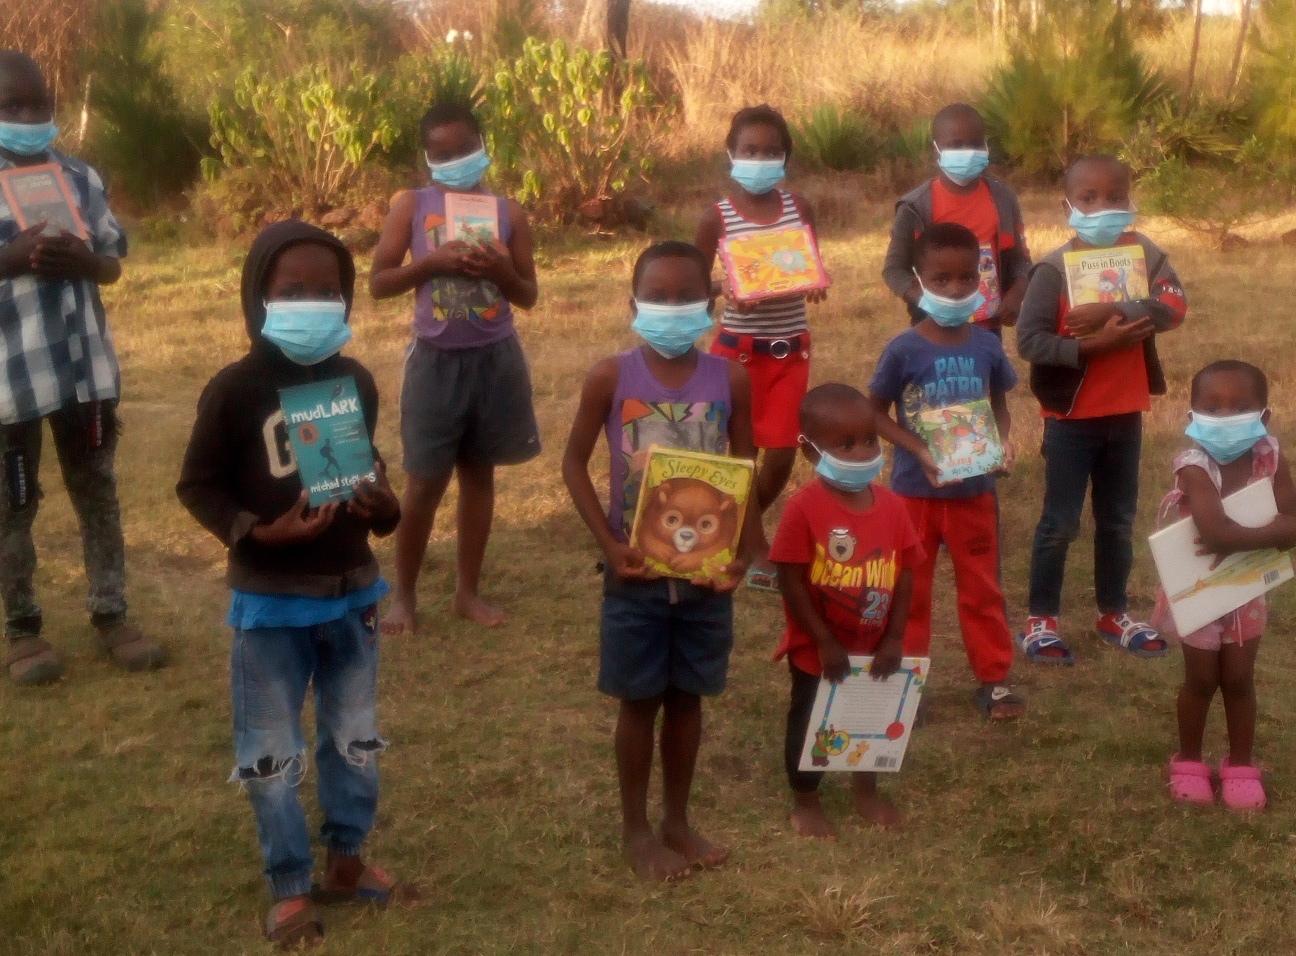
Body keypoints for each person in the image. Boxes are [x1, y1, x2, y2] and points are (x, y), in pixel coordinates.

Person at [177, 221, 409, 946]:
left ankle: (347, 859)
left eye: (328, 290)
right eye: (292, 291)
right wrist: (258, 531)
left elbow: (372, 482)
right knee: (270, 750)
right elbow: (198, 486)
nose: (313, 302)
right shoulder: (235, 389)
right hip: (270, 604)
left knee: (354, 738)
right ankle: (287, 883)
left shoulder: (356, 382)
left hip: (353, 594)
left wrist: (383, 504)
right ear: (259, 299)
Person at [562, 240, 756, 882]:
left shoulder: (730, 378)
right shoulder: (611, 376)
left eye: (686, 297)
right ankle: (637, 829)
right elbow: (573, 463)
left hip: (706, 579)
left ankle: (677, 818)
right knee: (639, 701)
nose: (672, 308)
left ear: (711, 304)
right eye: (658, 297)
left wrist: (743, 558)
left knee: (689, 699)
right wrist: (609, 545)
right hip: (636, 578)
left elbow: (746, 471)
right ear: (632, 304)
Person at [0, 50, 164, 685]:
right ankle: (23, 628)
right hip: (12, 382)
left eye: (37, 105)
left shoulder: (79, 177)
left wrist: (84, 261)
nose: (27, 116)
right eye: (11, 107)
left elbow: (113, 261)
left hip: (83, 371)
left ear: (53, 108)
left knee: (96, 489)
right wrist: (15, 254)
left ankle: (111, 612)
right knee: (13, 503)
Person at [370, 100, 540, 635]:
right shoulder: (412, 206)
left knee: (478, 475)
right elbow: (378, 282)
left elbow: (529, 294)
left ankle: (468, 592)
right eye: (442, 153)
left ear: (483, 147)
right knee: (423, 482)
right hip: (435, 362)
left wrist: (503, 271)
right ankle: (405, 596)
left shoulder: (509, 213)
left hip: (495, 359)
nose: (455, 160)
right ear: (427, 158)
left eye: (465, 149)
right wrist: (432, 264)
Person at [1016, 154, 1187, 663]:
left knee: (1117, 519)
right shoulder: (1051, 269)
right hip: (1071, 420)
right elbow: (1029, 341)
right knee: (1060, 522)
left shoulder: (1145, 253)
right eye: (1088, 199)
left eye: (1115, 197)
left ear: (1129, 198)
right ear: (1067, 205)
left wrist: (1116, 309)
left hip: (1125, 414)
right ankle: (1040, 619)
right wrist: (1088, 347)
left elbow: (1174, 307)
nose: (1103, 208)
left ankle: (1113, 611)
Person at [869, 222, 1025, 720]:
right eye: (941, 279)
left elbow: (998, 404)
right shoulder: (903, 350)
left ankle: (994, 681)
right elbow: (871, 413)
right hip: (915, 494)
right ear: (919, 280)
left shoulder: (987, 346)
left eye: (966, 278)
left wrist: (1000, 443)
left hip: (974, 494)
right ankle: (903, 684)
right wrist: (918, 449)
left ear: (982, 278)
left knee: (982, 588)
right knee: (910, 590)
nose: (956, 290)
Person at [770, 384, 923, 838]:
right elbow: (790, 579)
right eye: (844, 445)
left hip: (876, 643)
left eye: (869, 441)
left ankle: (866, 790)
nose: (861, 454)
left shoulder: (894, 507)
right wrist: (822, 640)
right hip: (819, 647)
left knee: (870, 718)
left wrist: (895, 637)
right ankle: (806, 799)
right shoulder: (803, 509)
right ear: (809, 452)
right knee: (808, 718)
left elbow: (906, 573)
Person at [1152, 361, 1294, 811]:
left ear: (1264, 417)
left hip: (1247, 591)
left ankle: (1241, 765)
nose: (1226, 416)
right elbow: (1215, 534)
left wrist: (1255, 535)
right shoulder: (1192, 466)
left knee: (1238, 678)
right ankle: (1190, 762)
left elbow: (1291, 518)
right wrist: (1271, 534)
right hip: (1198, 592)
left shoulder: (1270, 456)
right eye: (1212, 407)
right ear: (1192, 415)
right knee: (1200, 678)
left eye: (1241, 407)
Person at [695, 104, 825, 592]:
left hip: (791, 346)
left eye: (772, 151)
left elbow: (806, 264)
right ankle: (754, 545)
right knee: (742, 452)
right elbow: (693, 284)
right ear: (731, 154)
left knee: (784, 453)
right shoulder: (716, 217)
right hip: (738, 350)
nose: (761, 159)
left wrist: (813, 282)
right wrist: (726, 289)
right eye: (751, 150)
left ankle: (733, 527)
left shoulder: (800, 208)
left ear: (786, 157)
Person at [882, 103, 1031, 334]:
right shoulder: (915, 207)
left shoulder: (1004, 199)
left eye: (976, 144)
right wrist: (926, 301)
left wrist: (1016, 294)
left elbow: (1021, 260)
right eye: (957, 145)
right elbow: (893, 270)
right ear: (936, 150)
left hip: (987, 328)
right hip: (931, 328)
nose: (969, 151)